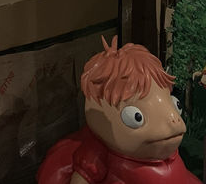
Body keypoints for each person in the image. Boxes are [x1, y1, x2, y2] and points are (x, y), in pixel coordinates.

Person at [38, 35, 200, 184]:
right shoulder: (97, 152)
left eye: (175, 105)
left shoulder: (168, 154)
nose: (175, 122)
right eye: (136, 117)